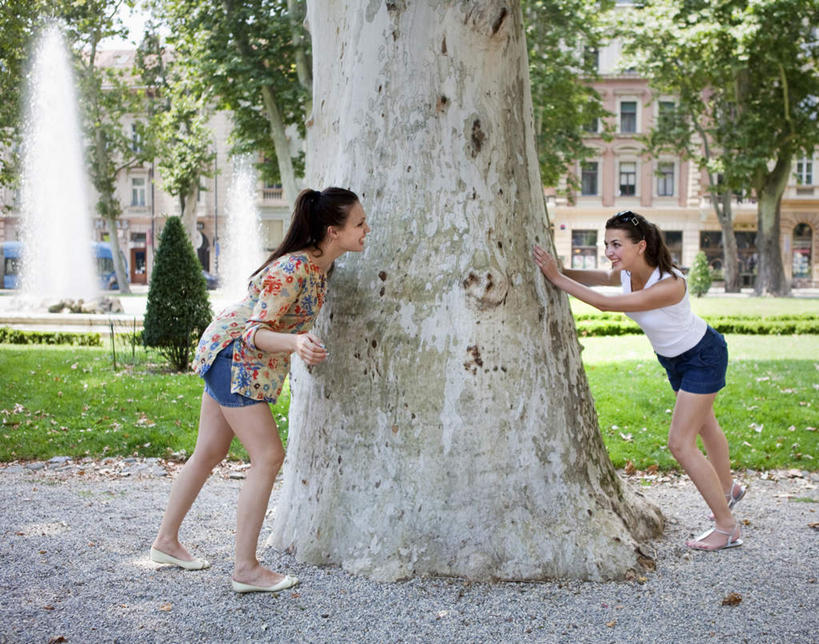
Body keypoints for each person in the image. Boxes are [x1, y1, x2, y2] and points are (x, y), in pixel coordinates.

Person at [151, 187, 370, 591]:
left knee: (210, 451)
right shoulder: (294, 269)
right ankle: (246, 569)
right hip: (233, 354)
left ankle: (165, 542)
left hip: (228, 353)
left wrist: (297, 341)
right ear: (332, 231)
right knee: (268, 455)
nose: (366, 229)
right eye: (359, 223)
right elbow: (255, 333)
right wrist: (296, 343)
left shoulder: (320, 270)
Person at [533, 210, 744, 551]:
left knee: (680, 443)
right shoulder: (627, 273)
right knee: (706, 427)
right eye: (606, 244)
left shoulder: (670, 284)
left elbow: (604, 303)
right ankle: (728, 490)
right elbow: (601, 278)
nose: (609, 251)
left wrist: (557, 279)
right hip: (675, 359)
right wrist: (556, 269)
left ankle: (727, 526)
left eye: (616, 244)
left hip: (703, 355)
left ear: (641, 245)